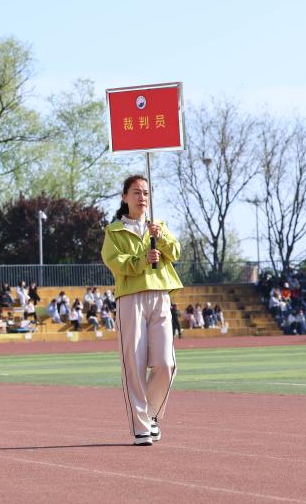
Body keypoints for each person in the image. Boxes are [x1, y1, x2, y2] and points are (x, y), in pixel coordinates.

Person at [101, 174, 182, 446]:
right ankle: (140, 427)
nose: (142, 197)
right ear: (124, 197)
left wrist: (161, 238)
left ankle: (150, 414)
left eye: (146, 193)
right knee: (133, 364)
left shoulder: (158, 226)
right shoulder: (114, 231)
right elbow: (116, 263)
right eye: (136, 192)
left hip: (160, 294)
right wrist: (142, 259)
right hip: (130, 298)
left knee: (166, 363)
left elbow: (176, 252)